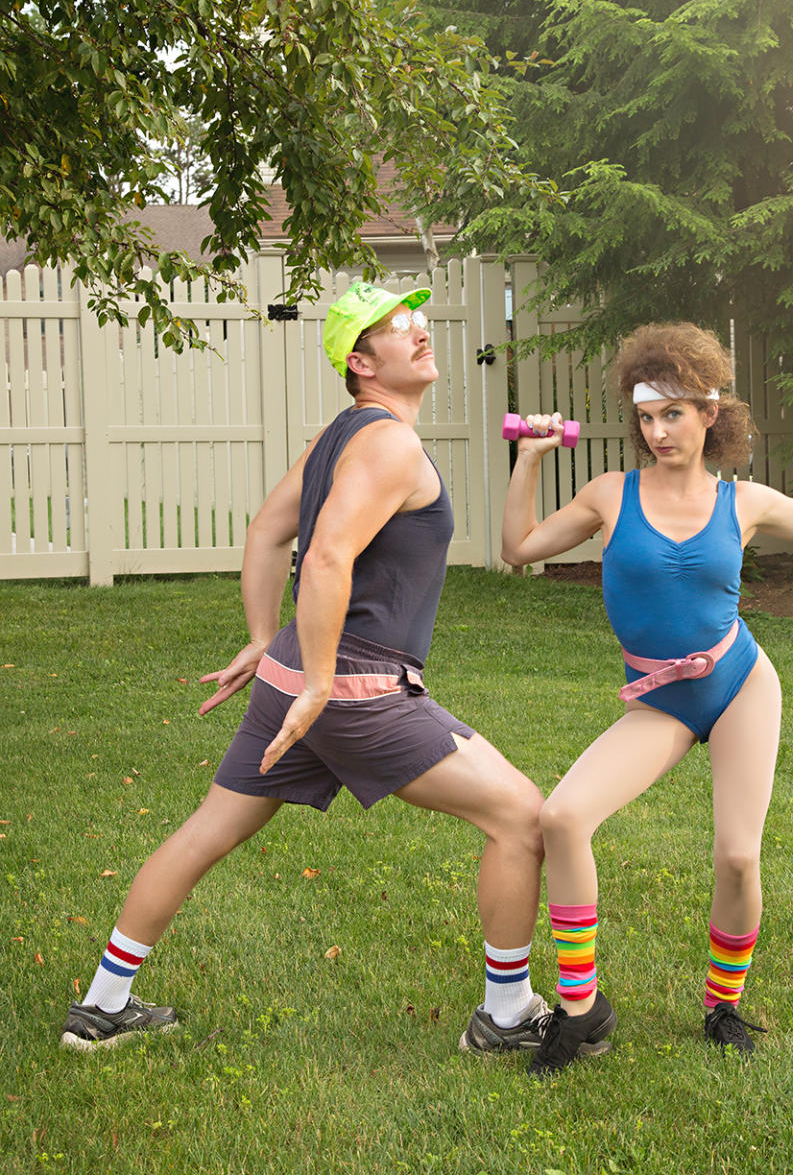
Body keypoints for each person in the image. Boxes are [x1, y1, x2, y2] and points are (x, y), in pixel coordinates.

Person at [61, 279, 562, 1058]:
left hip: (293, 673)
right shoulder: (392, 443)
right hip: (352, 685)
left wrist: (269, 639)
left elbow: (267, 531)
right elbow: (323, 551)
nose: (420, 332)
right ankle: (504, 1017)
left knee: (207, 831)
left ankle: (100, 1007)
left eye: (418, 321)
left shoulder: (340, 435)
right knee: (523, 819)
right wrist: (323, 677)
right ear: (362, 362)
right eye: (397, 330)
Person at [500, 321, 793, 1077]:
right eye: (645, 416)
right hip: (662, 700)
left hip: (738, 684)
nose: (658, 430)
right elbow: (520, 548)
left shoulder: (744, 501)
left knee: (738, 857)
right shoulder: (612, 495)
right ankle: (580, 1013)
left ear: (710, 413)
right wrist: (531, 458)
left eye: (673, 413)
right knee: (563, 817)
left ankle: (722, 1006)